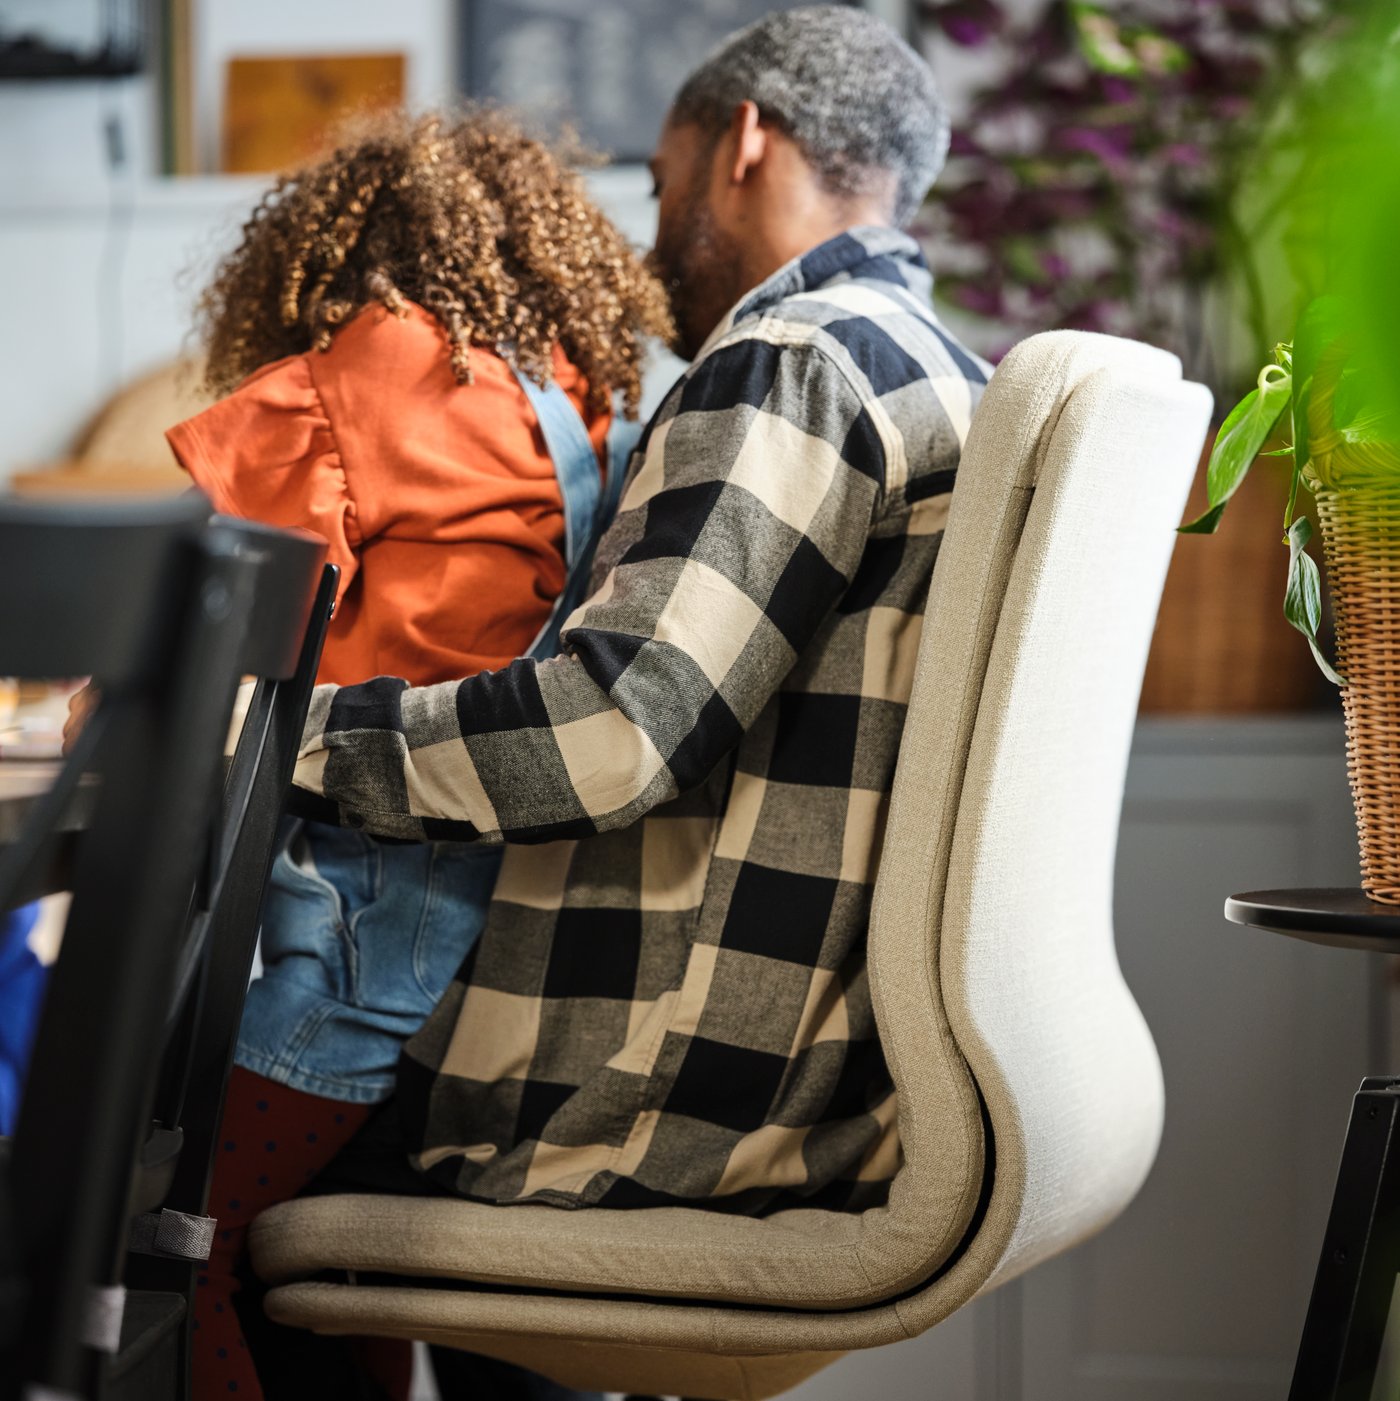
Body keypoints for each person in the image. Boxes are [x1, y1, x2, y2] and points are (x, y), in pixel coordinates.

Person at [292, 3, 991, 1228]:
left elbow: (610, 733)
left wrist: (268, 737)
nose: (652, 238)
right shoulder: (946, 369)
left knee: (160, 1171)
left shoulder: (793, 361)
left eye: (661, 183)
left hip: (640, 1098)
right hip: (818, 1083)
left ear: (744, 141)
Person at [159, 110, 672, 1401]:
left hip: (378, 906)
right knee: (334, 1267)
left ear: (325, 255)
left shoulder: (375, 360)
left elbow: (227, 581)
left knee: (185, 1242)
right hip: (527, 921)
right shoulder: (577, 386)